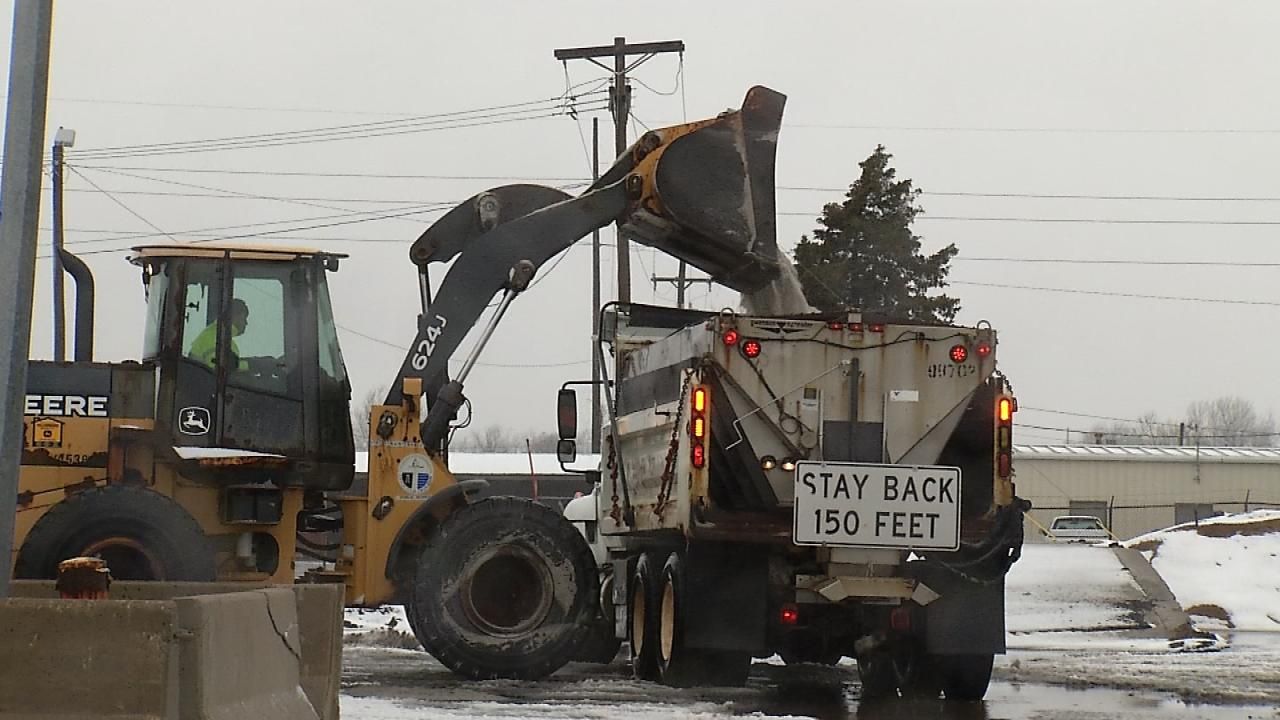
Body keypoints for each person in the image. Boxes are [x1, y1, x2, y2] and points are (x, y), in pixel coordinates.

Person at [189, 298, 248, 369]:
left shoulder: (221, 336)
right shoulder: (215, 335)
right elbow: (216, 366)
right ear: (234, 316)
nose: (246, 323)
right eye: (244, 318)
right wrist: (251, 365)